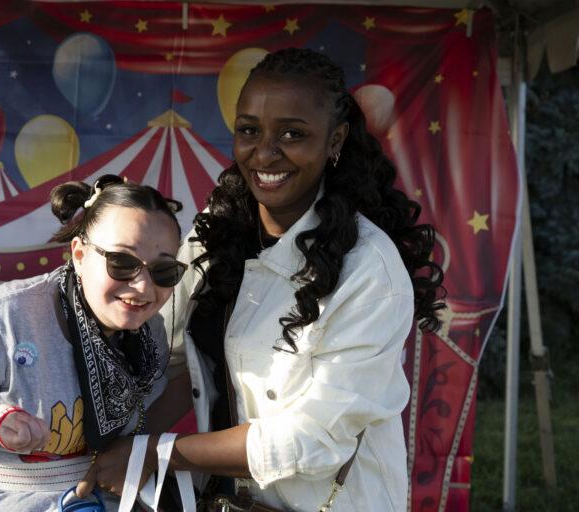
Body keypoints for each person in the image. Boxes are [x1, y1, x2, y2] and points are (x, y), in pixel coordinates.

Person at [78, 48, 445, 512]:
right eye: (250, 130)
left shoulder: (370, 270)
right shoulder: (219, 226)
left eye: (293, 134)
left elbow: (312, 440)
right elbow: (175, 361)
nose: (265, 152)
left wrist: (157, 453)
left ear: (335, 141)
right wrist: (109, 440)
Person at [0, 175, 189, 511]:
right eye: (122, 263)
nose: (142, 287)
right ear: (79, 254)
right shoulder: (3, 316)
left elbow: (142, 422)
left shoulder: (149, 333)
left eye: (163, 271)